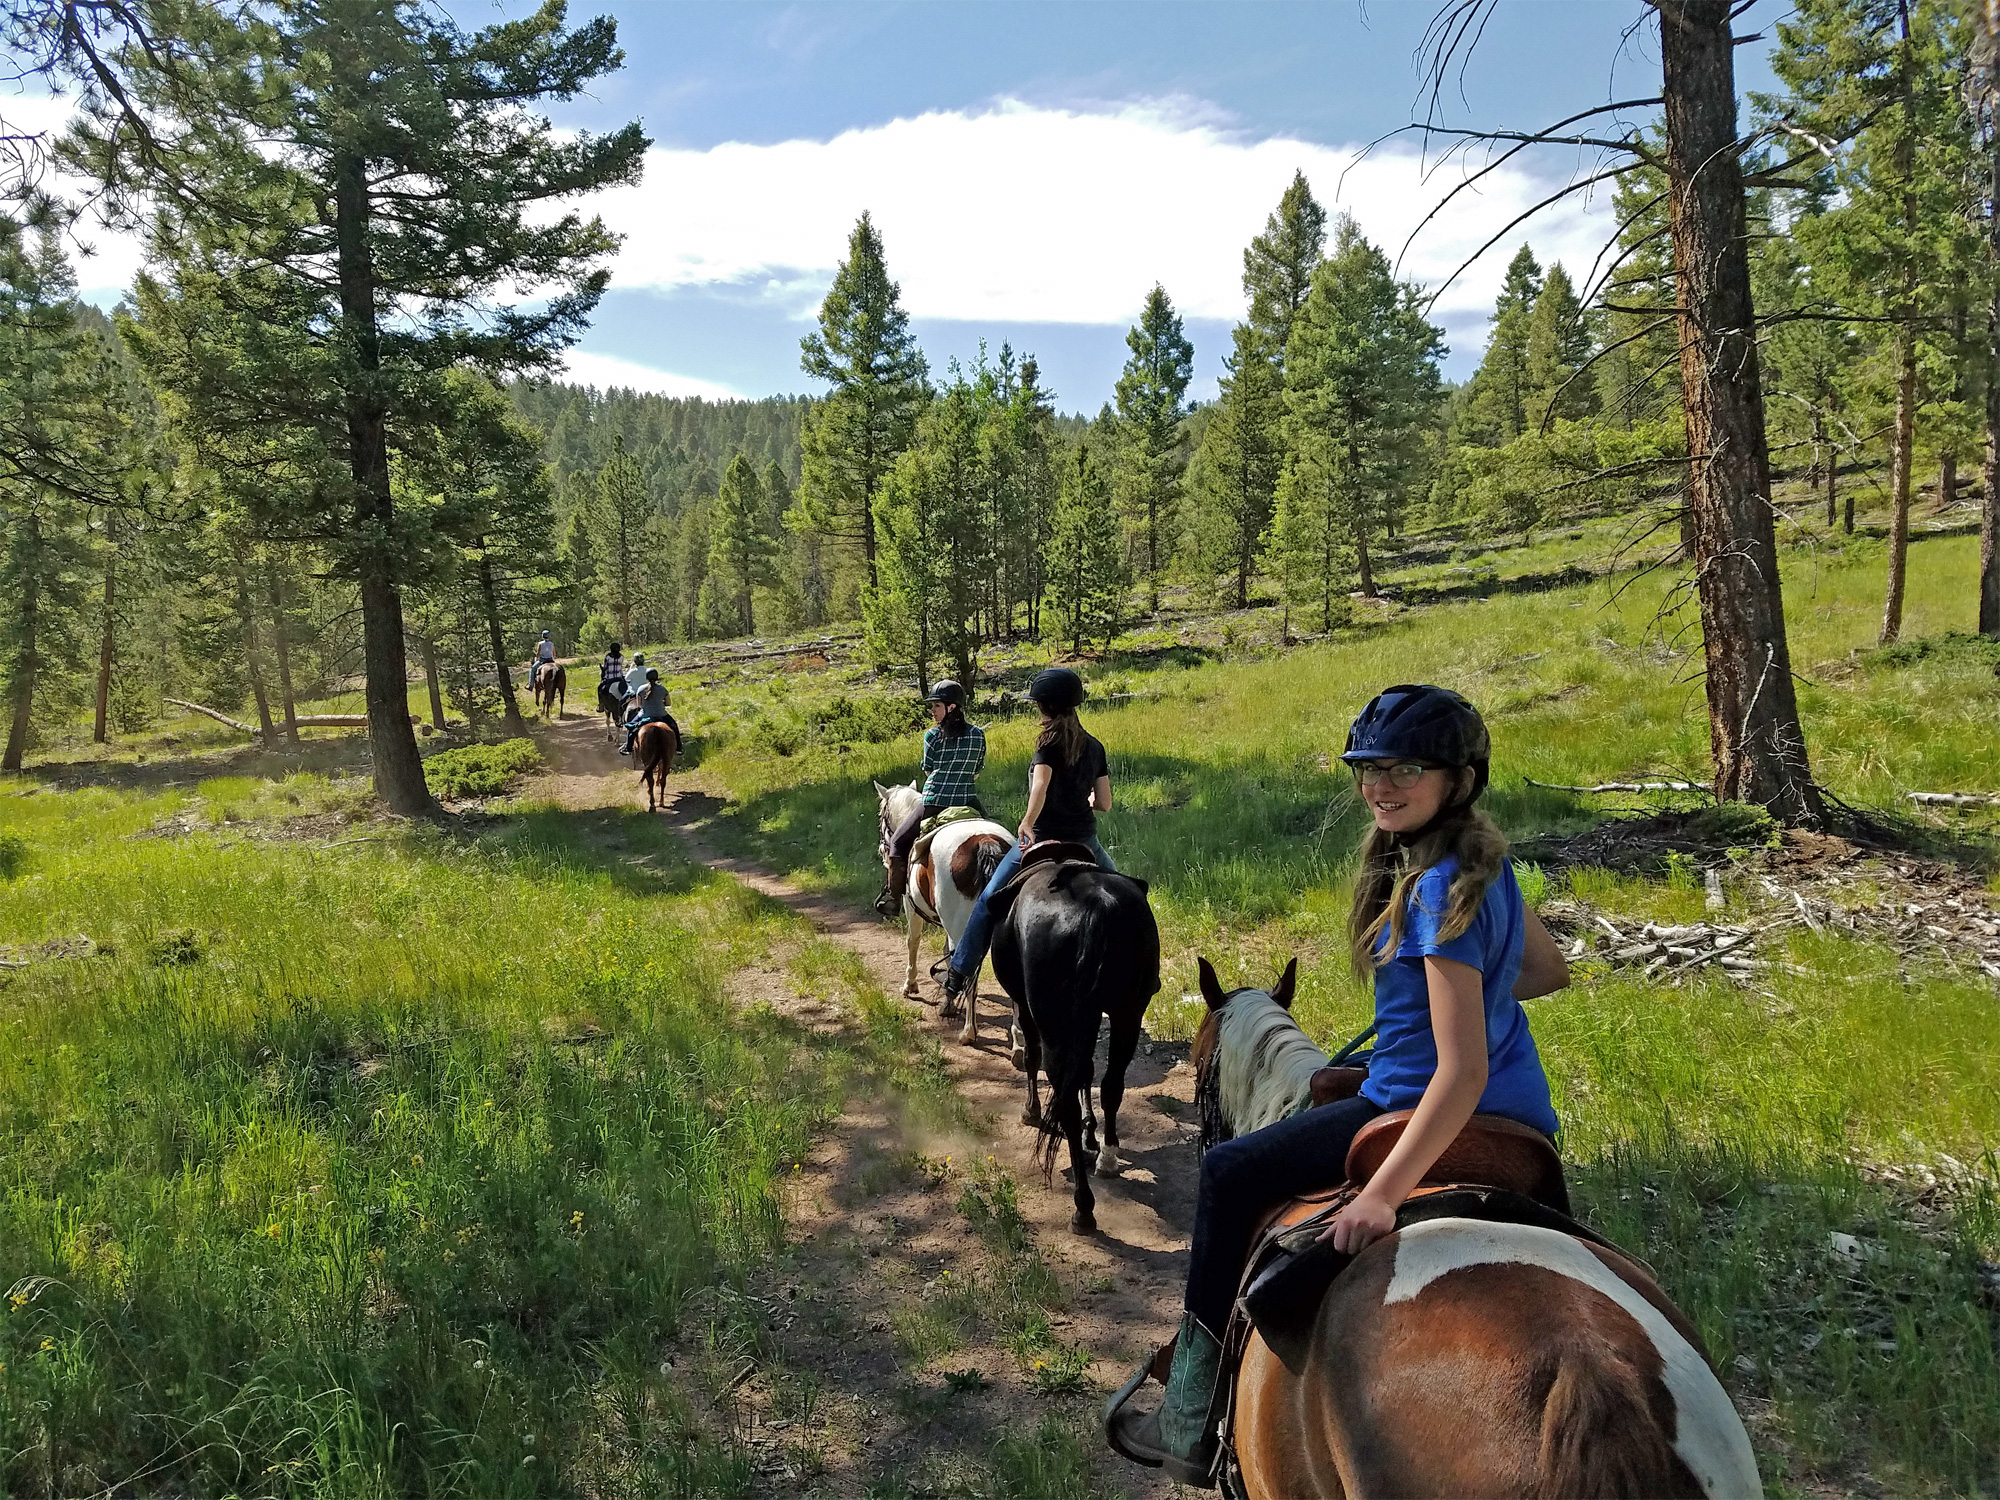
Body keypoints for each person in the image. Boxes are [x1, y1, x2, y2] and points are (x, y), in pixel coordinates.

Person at [1107, 683, 1572, 1487]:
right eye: (1368, 769)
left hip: (1425, 1106)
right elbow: (1545, 971)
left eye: (1406, 770)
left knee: (1227, 1172)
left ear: (1458, 779)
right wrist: (1457, 1005)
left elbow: (1459, 1075)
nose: (1381, 787)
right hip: (1522, 1116)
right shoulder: (1483, 863)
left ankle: (1187, 1412)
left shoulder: (1428, 892)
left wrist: (1382, 1195)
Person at [938, 666, 1113, 1002]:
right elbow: (1104, 802)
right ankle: (1133, 974)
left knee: (989, 901)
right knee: (1123, 893)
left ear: (1043, 707)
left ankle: (958, 972)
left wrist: (1028, 822)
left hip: (1042, 838)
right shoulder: (1094, 746)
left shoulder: (1047, 742)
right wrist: (1086, 799)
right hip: (1084, 841)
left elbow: (1041, 785)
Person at [877, 680, 987, 917]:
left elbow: (928, 770)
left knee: (896, 843)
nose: (932, 711)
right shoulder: (978, 734)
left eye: (936, 705)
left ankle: (893, 898)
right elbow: (978, 768)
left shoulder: (933, 736)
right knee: (996, 833)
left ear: (951, 708)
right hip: (968, 800)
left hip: (934, 802)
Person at [620, 668, 677, 756]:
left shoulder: (641, 689)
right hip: (661, 715)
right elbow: (668, 703)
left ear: (646, 678)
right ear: (657, 678)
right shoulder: (663, 689)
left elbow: (639, 705)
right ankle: (679, 747)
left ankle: (628, 748)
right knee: (674, 727)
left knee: (631, 728)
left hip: (644, 715)